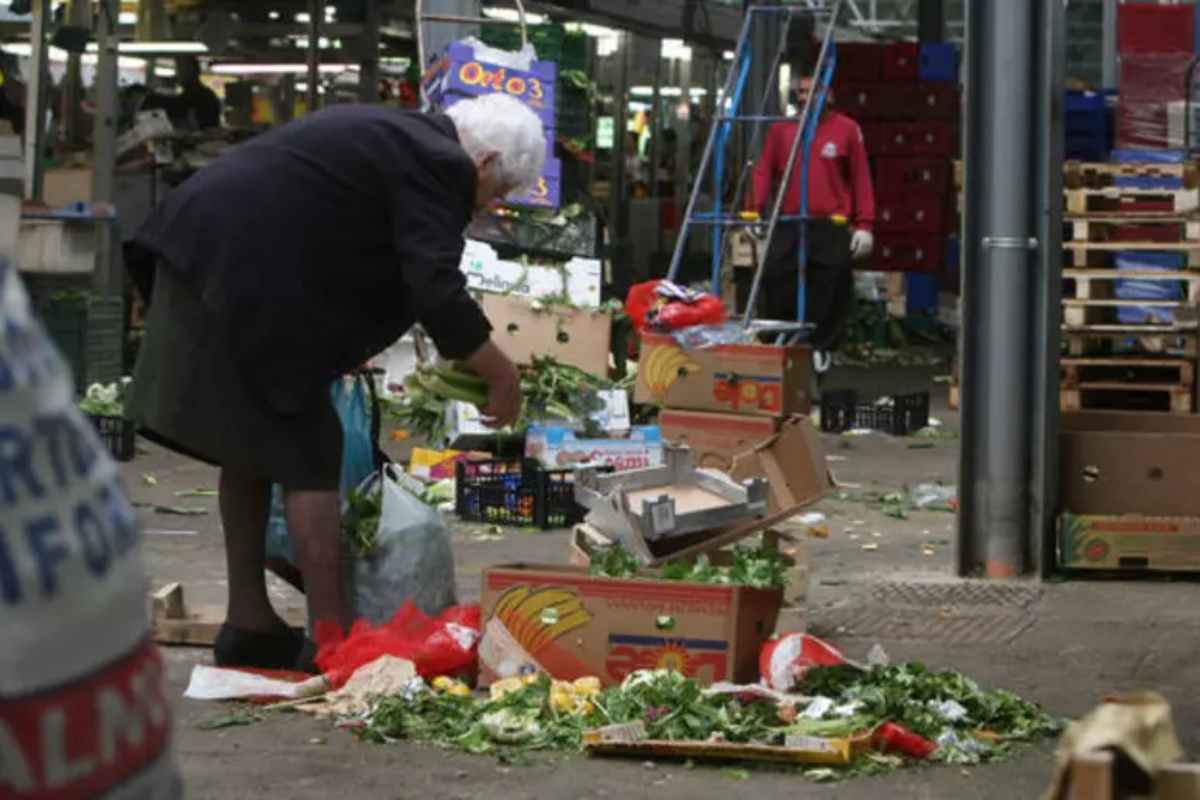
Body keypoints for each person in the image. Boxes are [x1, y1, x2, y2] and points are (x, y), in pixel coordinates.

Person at [124, 93, 542, 671]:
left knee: (251, 441)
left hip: (204, 249)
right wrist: (499, 373)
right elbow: (435, 288)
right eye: (495, 195)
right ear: (486, 162)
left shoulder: (400, 133)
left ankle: (249, 622)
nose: (482, 209)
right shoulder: (442, 164)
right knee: (308, 449)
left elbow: (336, 228)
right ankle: (332, 642)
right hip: (236, 268)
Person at [750, 75, 876, 374]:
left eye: (813, 90)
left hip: (829, 223)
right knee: (774, 275)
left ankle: (820, 347)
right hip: (789, 221)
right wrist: (754, 212)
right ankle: (779, 343)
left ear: (829, 93)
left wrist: (865, 225)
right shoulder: (781, 130)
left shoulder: (847, 130)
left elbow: (860, 178)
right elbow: (763, 171)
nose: (805, 97)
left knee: (833, 282)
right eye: (801, 91)